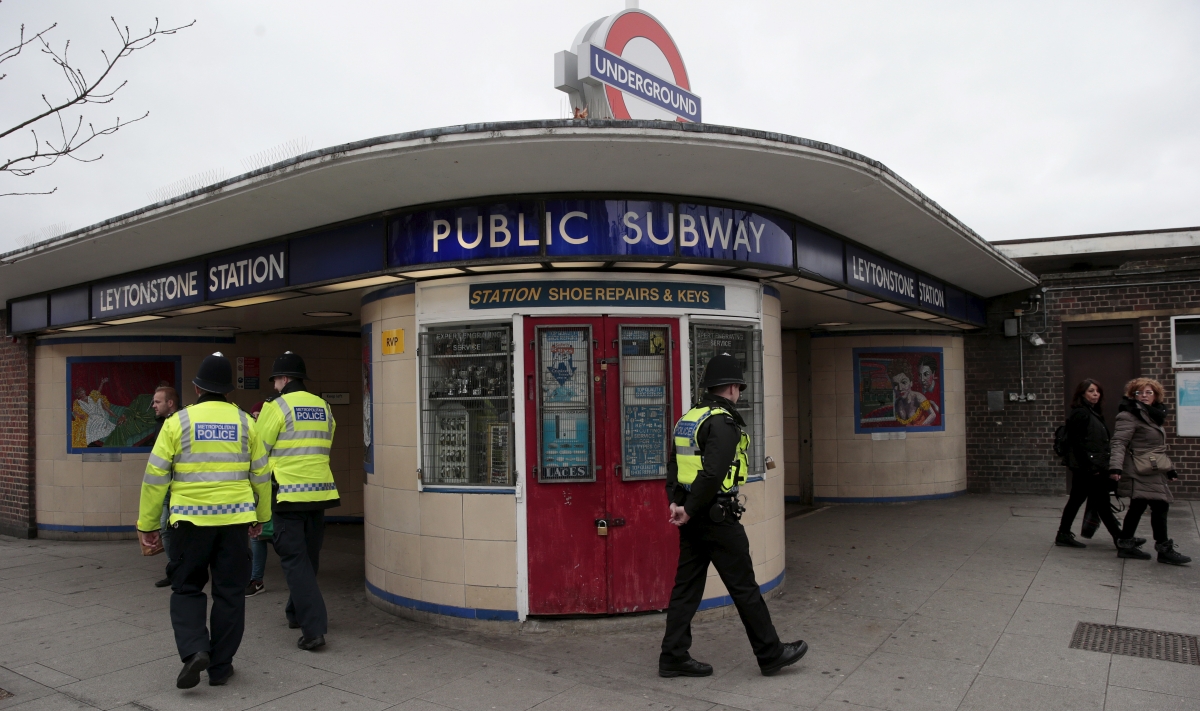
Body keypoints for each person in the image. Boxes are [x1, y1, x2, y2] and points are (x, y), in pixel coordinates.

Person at [659, 353, 807, 678]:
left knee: (685, 589)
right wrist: (691, 507)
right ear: (731, 388)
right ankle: (770, 653)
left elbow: (673, 464)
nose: (739, 392)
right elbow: (712, 474)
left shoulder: (689, 418)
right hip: (716, 517)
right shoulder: (722, 421)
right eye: (739, 386)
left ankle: (673, 655)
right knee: (744, 587)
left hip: (692, 516)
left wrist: (677, 504)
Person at [137, 353, 272, 689]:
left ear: (197, 388)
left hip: (189, 524)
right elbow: (262, 475)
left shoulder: (177, 423)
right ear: (228, 390)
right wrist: (261, 518)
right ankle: (221, 667)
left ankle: (196, 649)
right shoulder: (246, 423)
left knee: (186, 589)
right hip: (235, 523)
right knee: (230, 594)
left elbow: (155, 477)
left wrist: (148, 525)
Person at [255, 352, 340, 650]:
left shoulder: (276, 407)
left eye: (276, 379)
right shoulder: (323, 406)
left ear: (284, 379)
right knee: (308, 557)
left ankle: (314, 629)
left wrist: (258, 502)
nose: (275, 384)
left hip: (287, 494)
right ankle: (295, 611)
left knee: (294, 561)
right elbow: (325, 443)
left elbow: (259, 453)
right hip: (319, 494)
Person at [1109, 378, 1192, 565]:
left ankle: (1127, 544)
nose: (1144, 396)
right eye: (1139, 392)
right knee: (1159, 505)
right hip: (1138, 469)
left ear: (1156, 395)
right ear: (1133, 395)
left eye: (1148, 392)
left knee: (1139, 506)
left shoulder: (1153, 415)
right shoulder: (1129, 415)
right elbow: (1119, 442)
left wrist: (1169, 470)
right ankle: (1163, 549)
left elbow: (1156, 448)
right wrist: (1115, 467)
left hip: (1151, 468)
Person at [1055, 379, 1138, 550]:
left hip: (1090, 467)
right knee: (1101, 503)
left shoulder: (1092, 413)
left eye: (1097, 391)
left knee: (1080, 501)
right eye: (1091, 391)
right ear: (1082, 393)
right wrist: (1090, 467)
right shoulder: (1081, 414)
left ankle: (1063, 534)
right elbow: (1077, 444)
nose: (1095, 394)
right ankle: (1120, 538)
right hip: (1088, 469)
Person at [151, 386, 180, 588]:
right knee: (165, 528)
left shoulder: (178, 424)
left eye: (157, 402)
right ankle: (174, 569)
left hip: (178, 486)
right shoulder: (160, 424)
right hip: (163, 484)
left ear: (170, 403)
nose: (153, 405)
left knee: (173, 529)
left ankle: (180, 568)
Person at [245, 402, 272, 597]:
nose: (256, 419)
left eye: (259, 416)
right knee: (257, 538)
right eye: (254, 416)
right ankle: (256, 579)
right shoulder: (251, 436)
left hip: (277, 491)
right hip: (259, 494)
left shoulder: (271, 435)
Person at [888, 360, 936, 426]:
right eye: (895, 384)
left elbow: (933, 414)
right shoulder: (897, 403)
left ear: (911, 383)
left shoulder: (918, 397)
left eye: (904, 382)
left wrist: (921, 427)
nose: (900, 388)